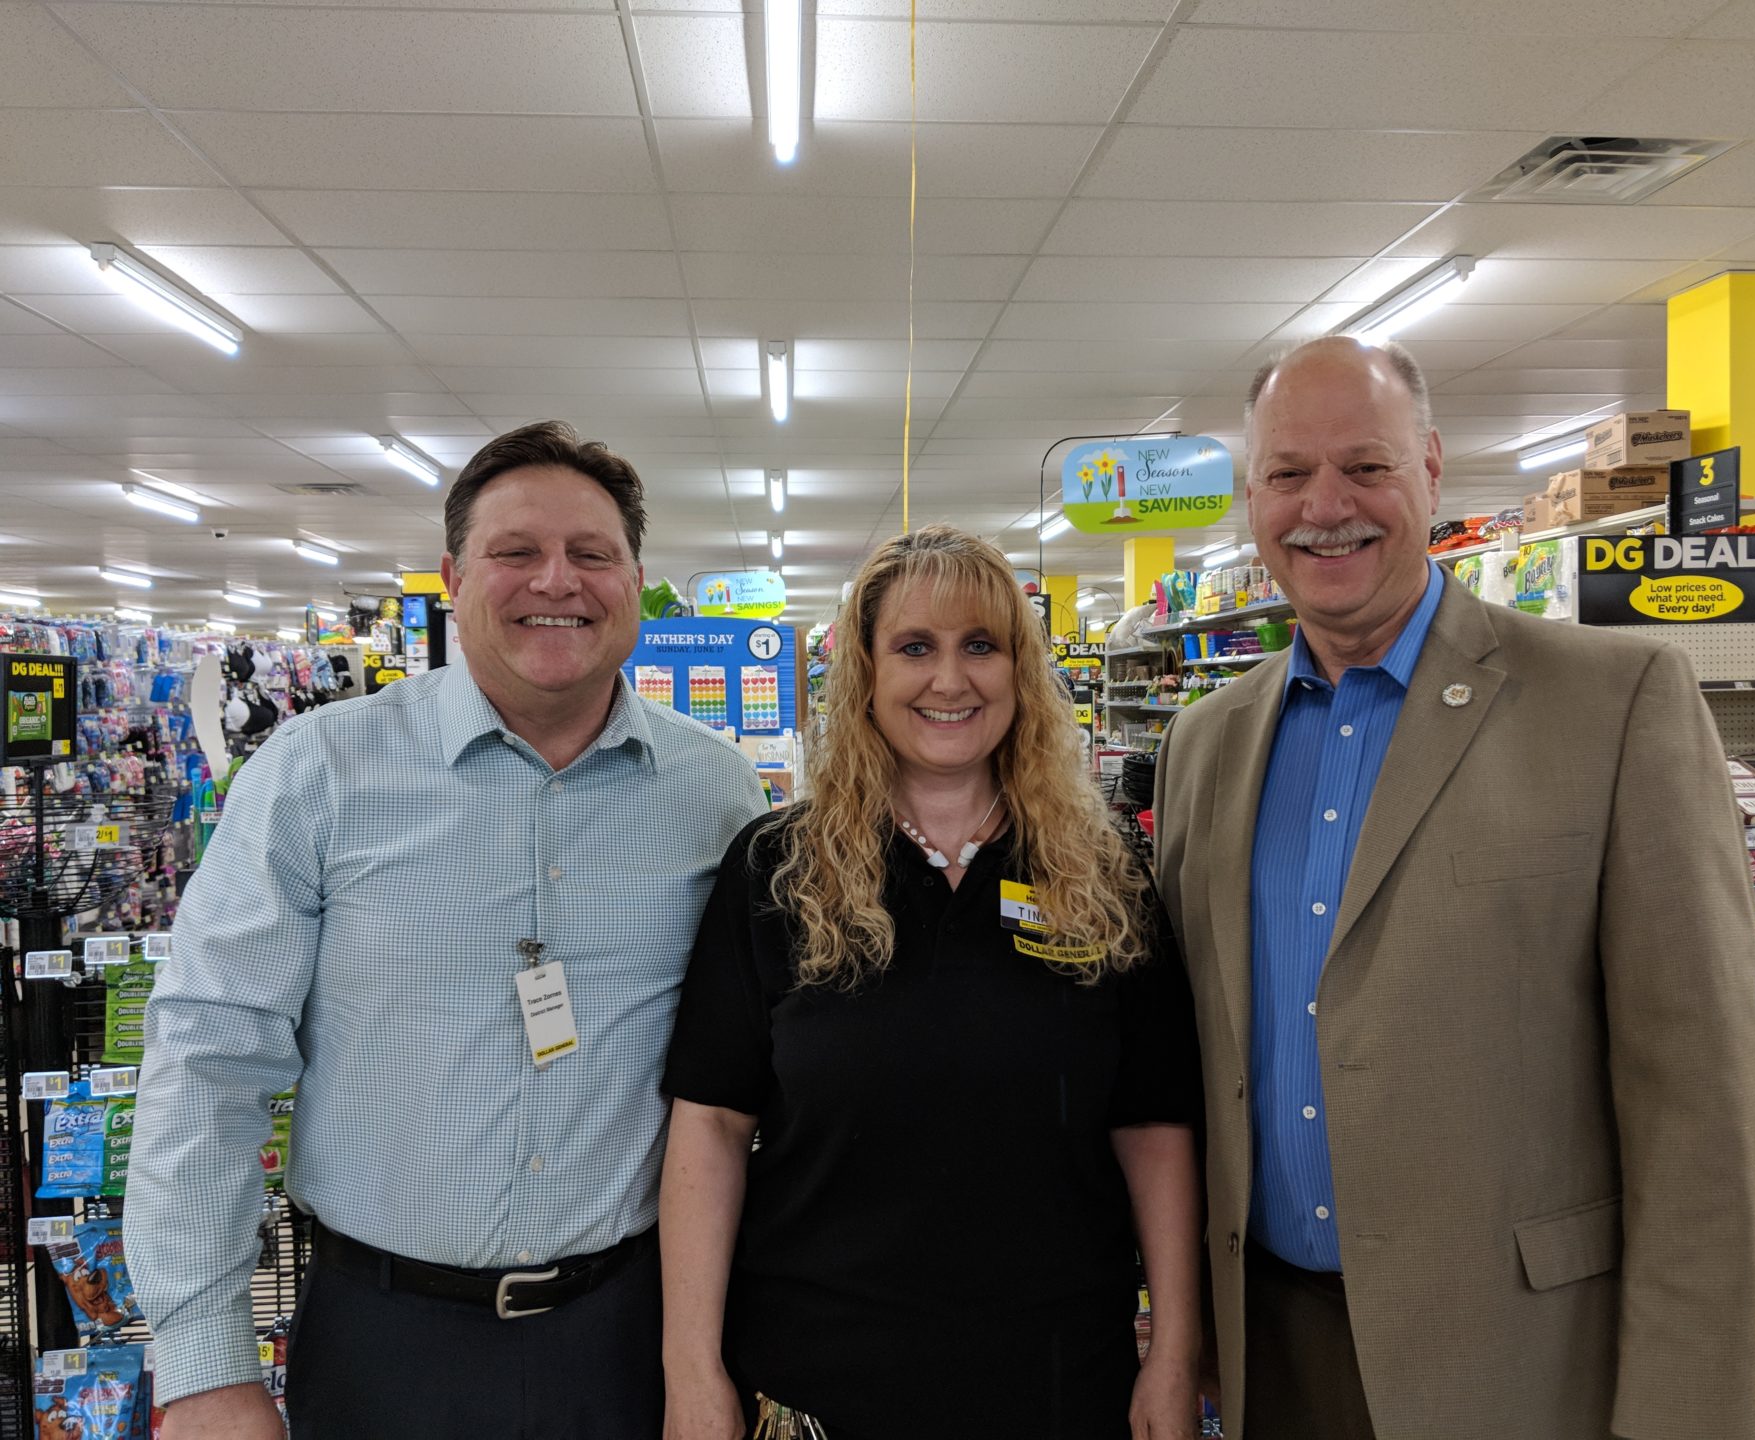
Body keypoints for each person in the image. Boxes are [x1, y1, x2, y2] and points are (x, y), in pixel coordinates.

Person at [1152, 337, 1755, 1439]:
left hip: (1523, 1366)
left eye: (1367, 466)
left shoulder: (1615, 704)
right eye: (1288, 474)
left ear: (1433, 471)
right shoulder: (1207, 743)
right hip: (1270, 1359)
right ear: (1253, 499)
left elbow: (1702, 1115)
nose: (1324, 506)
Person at [126, 421, 767, 1440]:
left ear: (636, 580)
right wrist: (203, 1366)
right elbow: (210, 1064)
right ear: (453, 578)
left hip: (639, 1340)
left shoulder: (718, 791)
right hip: (386, 1342)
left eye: (592, 554)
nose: (557, 581)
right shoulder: (319, 772)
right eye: (516, 553)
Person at [658, 525, 1205, 1440]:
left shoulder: (1101, 874)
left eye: (979, 646)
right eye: (914, 647)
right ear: (865, 675)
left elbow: (1152, 1125)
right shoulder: (776, 869)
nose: (950, 680)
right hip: (819, 1382)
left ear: (1020, 673)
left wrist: (1175, 1355)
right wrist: (692, 1371)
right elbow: (710, 1125)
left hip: (1062, 1379)